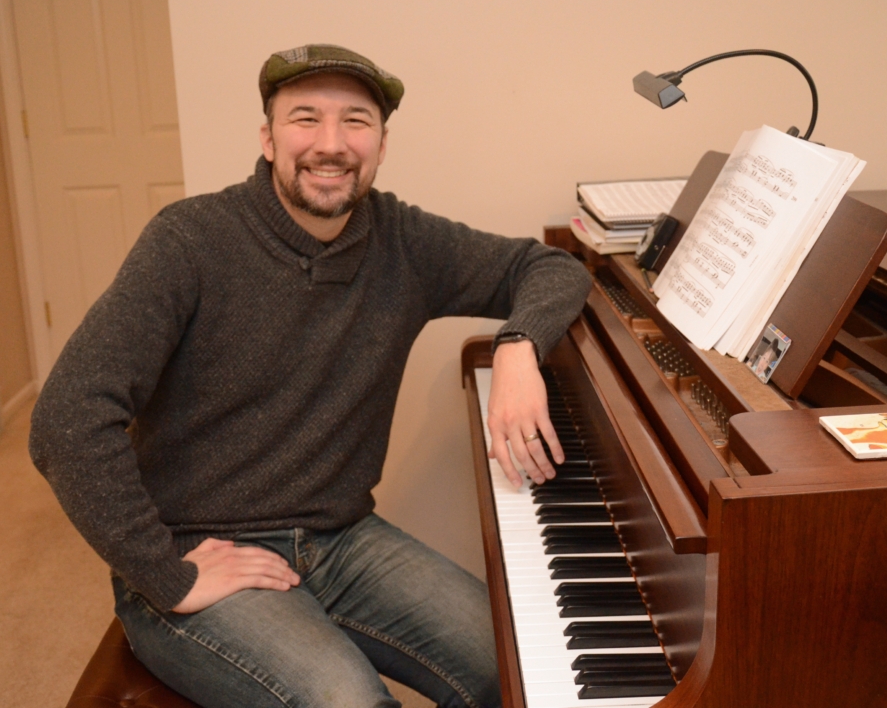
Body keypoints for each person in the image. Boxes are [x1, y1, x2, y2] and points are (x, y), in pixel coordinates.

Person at [29, 44, 592, 708]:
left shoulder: (404, 240)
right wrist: (164, 572)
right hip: (196, 547)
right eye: (305, 119)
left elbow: (552, 268)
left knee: (519, 665)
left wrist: (518, 345)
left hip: (342, 538)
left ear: (382, 145)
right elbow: (65, 420)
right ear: (268, 139)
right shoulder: (188, 241)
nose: (331, 144)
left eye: (356, 121)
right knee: (349, 701)